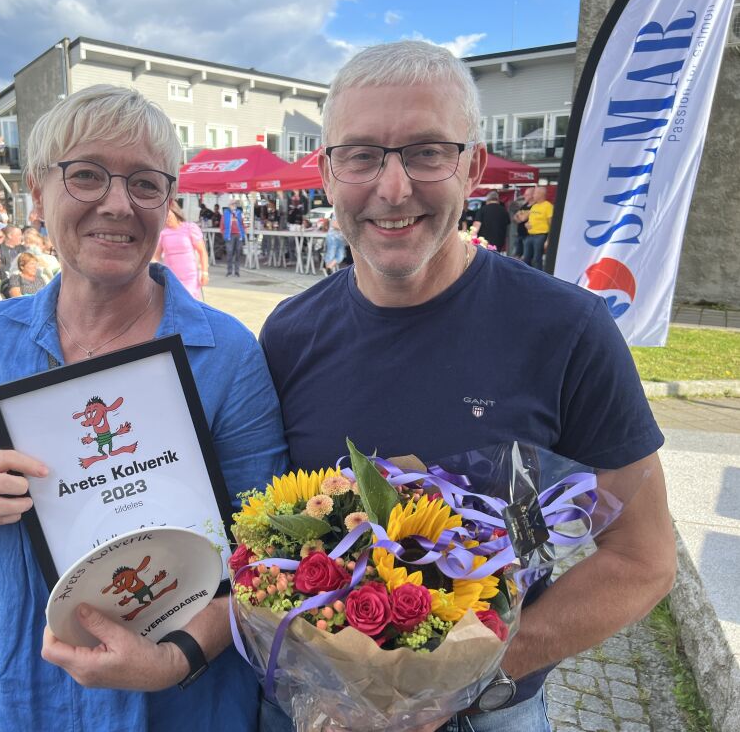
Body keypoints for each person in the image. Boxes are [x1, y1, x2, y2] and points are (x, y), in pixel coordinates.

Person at [258, 40, 674, 732]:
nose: (393, 188)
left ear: (473, 165)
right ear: (327, 172)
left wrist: (458, 679)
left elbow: (643, 559)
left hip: (491, 713)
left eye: (427, 151)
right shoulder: (288, 335)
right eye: (361, 154)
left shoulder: (567, 328)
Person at [0, 83, 287, 732]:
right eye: (86, 175)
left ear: (167, 201)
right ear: (36, 192)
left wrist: (176, 657)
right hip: (15, 695)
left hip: (175, 706)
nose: (118, 202)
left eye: (145, 183)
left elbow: (272, 562)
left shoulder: (224, 353)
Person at [153, 200, 208, 298]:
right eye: (164, 217)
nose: (166, 219)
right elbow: (156, 257)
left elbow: (202, 251)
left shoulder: (190, 228)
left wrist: (204, 272)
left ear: (175, 212)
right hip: (171, 278)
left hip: (190, 277)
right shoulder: (163, 233)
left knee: (188, 304)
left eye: (168, 215)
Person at [518, 186, 553, 271]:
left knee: (537, 259)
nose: (533, 195)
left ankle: (540, 278)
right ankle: (527, 277)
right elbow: (528, 219)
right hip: (530, 235)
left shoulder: (548, 206)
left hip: (541, 236)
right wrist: (527, 224)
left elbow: (551, 224)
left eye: (535, 193)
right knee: (526, 258)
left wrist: (548, 240)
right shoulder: (534, 206)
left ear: (541, 194)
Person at [220, 201, 245, 277]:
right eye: (232, 204)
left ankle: (237, 271)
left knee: (238, 253)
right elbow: (222, 225)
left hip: (238, 235)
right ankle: (229, 271)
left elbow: (243, 223)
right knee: (229, 253)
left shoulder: (239, 213)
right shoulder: (225, 214)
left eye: (234, 205)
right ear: (229, 206)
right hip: (229, 235)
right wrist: (224, 233)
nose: (233, 206)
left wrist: (243, 233)